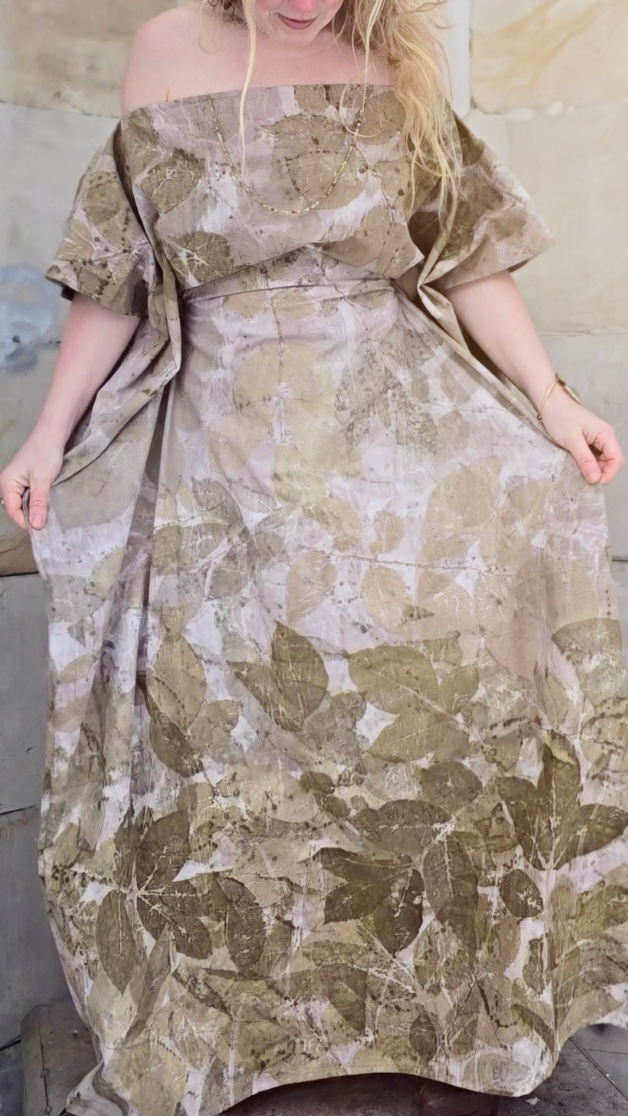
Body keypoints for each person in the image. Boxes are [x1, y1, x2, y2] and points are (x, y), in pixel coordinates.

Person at [1, 1, 627, 1114]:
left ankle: (443, 1016)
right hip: (218, 447)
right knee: (221, 737)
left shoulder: (397, 61)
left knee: (425, 728)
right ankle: (239, 1039)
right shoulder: (163, 52)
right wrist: (46, 434)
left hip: (397, 435)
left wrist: (550, 398)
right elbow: (117, 270)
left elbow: (468, 258)